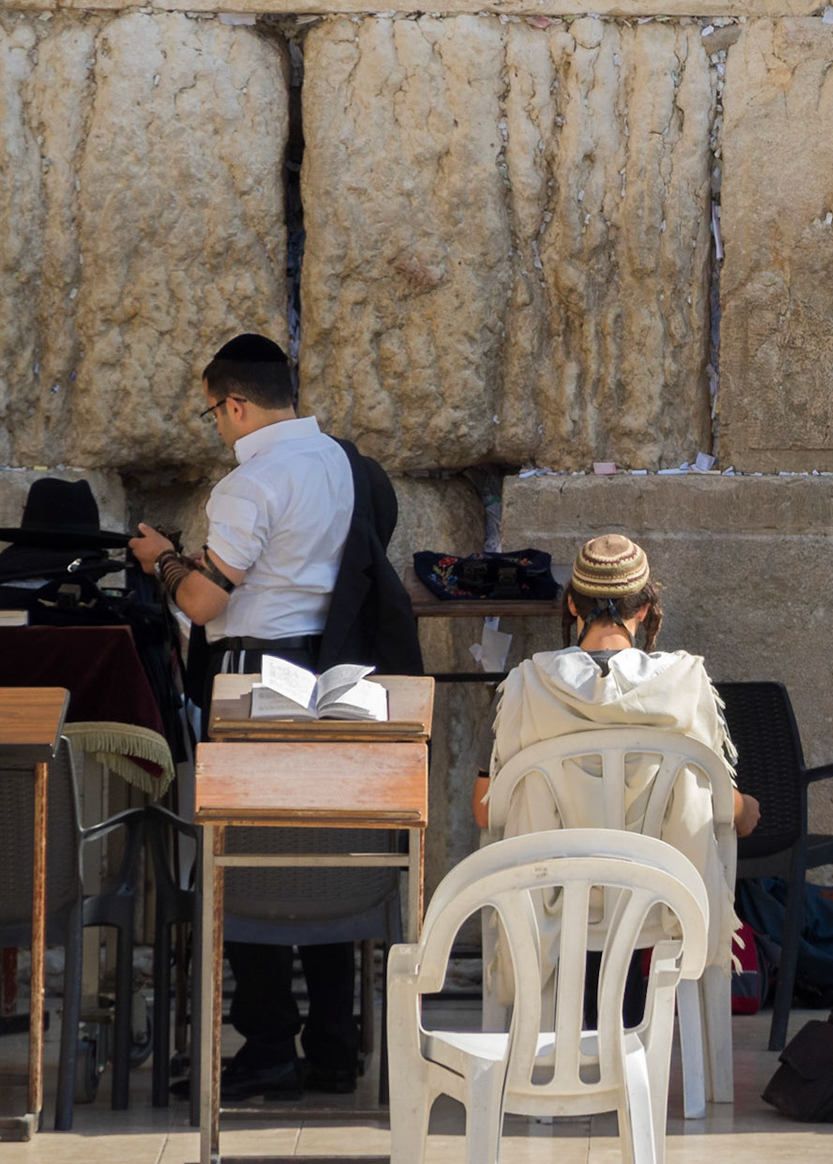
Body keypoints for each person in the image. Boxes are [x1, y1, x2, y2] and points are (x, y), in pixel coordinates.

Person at [127, 333, 416, 1099]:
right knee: (323, 857)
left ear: (235, 404)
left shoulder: (250, 484)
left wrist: (161, 558)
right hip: (337, 672)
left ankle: (266, 1044)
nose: (219, 428)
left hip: (255, 681)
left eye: (215, 414)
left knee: (246, 861)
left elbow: (206, 599)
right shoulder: (347, 465)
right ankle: (333, 1042)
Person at [478, 534, 757, 1024]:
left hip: (554, 897)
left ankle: (563, 1042)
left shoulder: (526, 686)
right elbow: (717, 806)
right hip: (659, 899)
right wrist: (747, 808)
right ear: (646, 609)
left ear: (571, 604)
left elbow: (486, 809)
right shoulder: (684, 685)